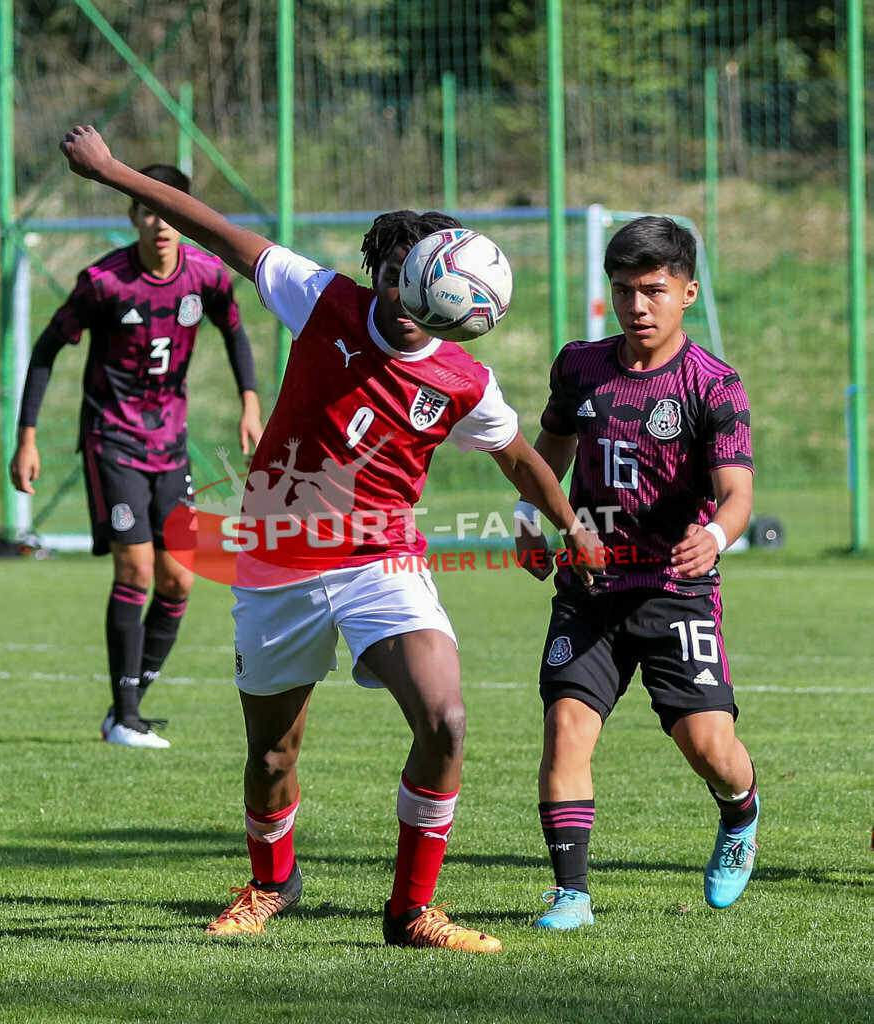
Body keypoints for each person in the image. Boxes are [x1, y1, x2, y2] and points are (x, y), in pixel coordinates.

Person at [56, 124, 595, 953]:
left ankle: (410, 911)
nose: (404, 294)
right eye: (393, 275)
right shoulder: (324, 298)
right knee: (273, 754)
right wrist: (111, 171)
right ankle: (272, 884)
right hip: (274, 560)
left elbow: (520, 459)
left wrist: (571, 529)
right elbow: (210, 226)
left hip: (382, 562)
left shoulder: (461, 377)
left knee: (445, 718)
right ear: (387, 277)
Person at [514, 216, 759, 929]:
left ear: (686, 292)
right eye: (622, 290)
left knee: (709, 749)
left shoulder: (712, 384)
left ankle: (740, 812)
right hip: (589, 589)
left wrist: (713, 534)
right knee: (565, 727)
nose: (636, 306)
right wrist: (528, 517)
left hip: (675, 593)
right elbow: (546, 452)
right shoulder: (578, 365)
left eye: (652, 290)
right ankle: (571, 894)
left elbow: (738, 491)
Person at [10, 162, 263, 749]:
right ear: (133, 214)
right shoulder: (103, 281)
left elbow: (235, 332)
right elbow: (46, 351)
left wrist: (250, 402)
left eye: (172, 209)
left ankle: (128, 708)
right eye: (149, 209)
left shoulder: (207, 276)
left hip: (169, 445)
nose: (161, 222)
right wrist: (27, 437)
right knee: (137, 569)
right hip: (112, 440)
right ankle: (124, 718)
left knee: (178, 580)